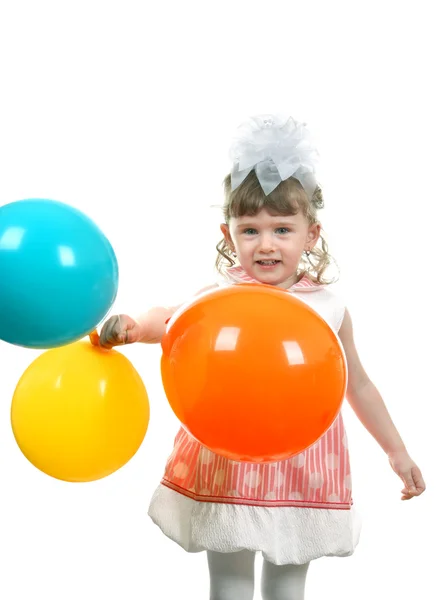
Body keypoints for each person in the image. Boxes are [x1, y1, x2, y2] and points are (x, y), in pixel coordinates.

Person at [98, 114, 426, 600]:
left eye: (281, 229)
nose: (266, 244)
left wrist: (397, 453)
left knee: (288, 586)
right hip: (229, 460)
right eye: (249, 230)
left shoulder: (328, 308)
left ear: (310, 235)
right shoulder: (223, 297)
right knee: (228, 585)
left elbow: (357, 384)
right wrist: (134, 328)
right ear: (228, 235)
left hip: (302, 466)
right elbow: (171, 320)